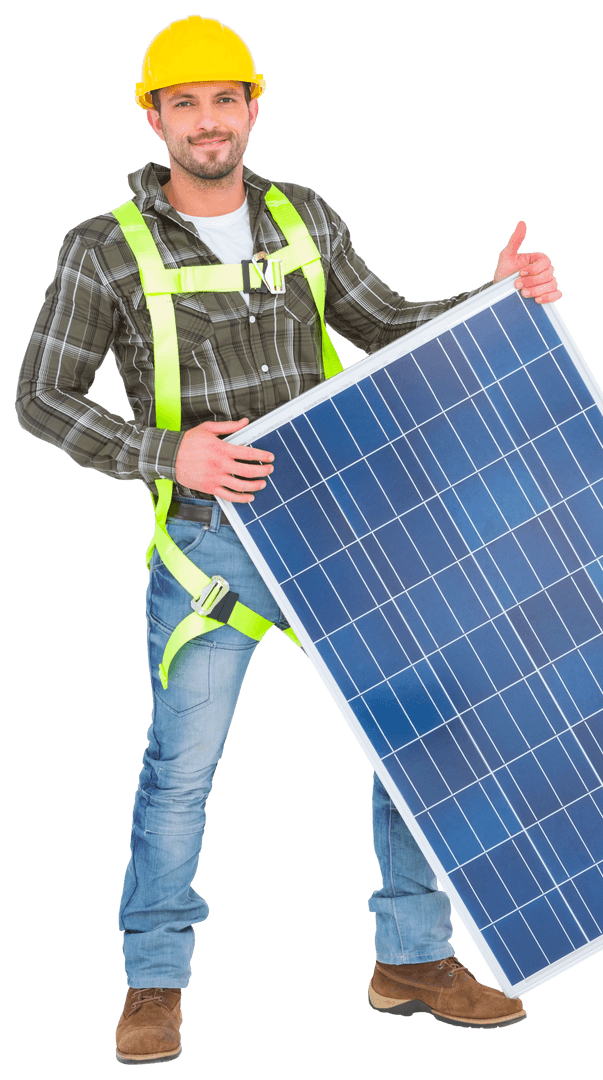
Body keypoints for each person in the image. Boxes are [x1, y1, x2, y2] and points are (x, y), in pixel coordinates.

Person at [16, 14, 561, 1065]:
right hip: (208, 550)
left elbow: (387, 322)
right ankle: (153, 982)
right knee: (182, 772)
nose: (209, 121)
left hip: (340, 529)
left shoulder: (304, 214)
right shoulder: (101, 248)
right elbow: (40, 398)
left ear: (252, 108)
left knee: (420, 737)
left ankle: (409, 958)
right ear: (154, 115)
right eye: (187, 103)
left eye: (227, 100)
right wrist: (170, 455)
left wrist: (491, 301)